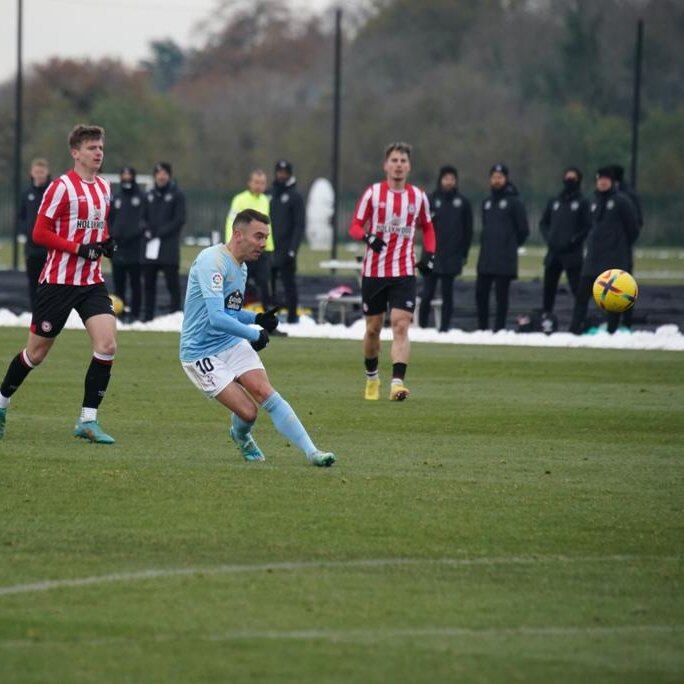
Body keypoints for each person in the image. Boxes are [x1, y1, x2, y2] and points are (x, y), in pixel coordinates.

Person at [179, 208, 335, 467]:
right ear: (238, 234)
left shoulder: (241, 269)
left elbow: (229, 312)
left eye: (266, 237)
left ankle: (313, 452)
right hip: (200, 352)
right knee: (248, 413)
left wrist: (256, 318)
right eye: (259, 236)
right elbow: (216, 317)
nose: (263, 244)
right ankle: (241, 435)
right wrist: (253, 334)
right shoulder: (212, 262)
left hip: (227, 341)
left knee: (265, 392)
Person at [0, 124, 117, 443]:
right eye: (92, 148)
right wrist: (78, 248)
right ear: (75, 152)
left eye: (101, 148)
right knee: (35, 354)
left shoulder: (105, 188)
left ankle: (88, 420)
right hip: (58, 282)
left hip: (91, 281)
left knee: (107, 345)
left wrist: (106, 243)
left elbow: (100, 226)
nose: (98, 153)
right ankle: (1, 402)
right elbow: (40, 234)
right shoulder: (61, 187)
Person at [349, 142, 436, 401]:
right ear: (386, 165)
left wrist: (429, 256)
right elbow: (354, 225)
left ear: (409, 167)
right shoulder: (373, 194)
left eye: (403, 161)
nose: (398, 165)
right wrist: (368, 238)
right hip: (374, 273)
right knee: (373, 329)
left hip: (404, 271)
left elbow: (428, 228)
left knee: (401, 325)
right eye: (394, 160)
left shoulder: (418, 197)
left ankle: (397, 383)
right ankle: (372, 377)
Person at [569, 167, 639, 334]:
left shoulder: (622, 201)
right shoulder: (592, 201)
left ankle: (611, 332)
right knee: (582, 295)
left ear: (612, 182)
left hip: (613, 258)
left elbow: (633, 229)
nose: (602, 182)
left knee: (613, 297)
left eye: (606, 179)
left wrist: (619, 246)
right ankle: (573, 331)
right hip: (593, 258)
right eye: (600, 179)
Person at [418, 165, 472, 332]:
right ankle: (422, 326)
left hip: (452, 255)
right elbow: (420, 224)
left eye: (452, 179)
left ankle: (444, 328)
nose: (449, 182)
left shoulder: (462, 203)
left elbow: (468, 230)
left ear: (455, 181)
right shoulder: (431, 199)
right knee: (427, 293)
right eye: (446, 178)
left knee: (448, 295)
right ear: (440, 180)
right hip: (431, 255)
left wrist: (464, 254)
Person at [476, 164, 529, 331]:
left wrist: (510, 245)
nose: (496, 180)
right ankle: (482, 329)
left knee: (501, 297)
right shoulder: (487, 203)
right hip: (486, 257)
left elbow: (524, 230)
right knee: (481, 295)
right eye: (494, 177)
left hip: (504, 258)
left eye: (500, 177)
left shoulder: (515, 202)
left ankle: (499, 329)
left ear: (506, 179)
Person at [539, 167, 592, 314]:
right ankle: (546, 317)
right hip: (553, 253)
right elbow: (543, 223)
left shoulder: (583, 202)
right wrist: (549, 238)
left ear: (578, 181)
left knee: (577, 289)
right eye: (567, 178)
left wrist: (574, 240)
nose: (569, 181)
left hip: (572, 254)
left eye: (573, 178)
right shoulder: (554, 201)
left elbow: (587, 226)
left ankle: (581, 318)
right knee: (548, 289)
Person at [225, 169, 275, 311]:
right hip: (244, 249)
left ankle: (267, 317)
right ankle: (234, 314)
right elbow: (231, 222)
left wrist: (270, 247)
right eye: (256, 182)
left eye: (262, 183)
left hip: (262, 250)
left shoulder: (265, 200)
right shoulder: (240, 199)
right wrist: (232, 245)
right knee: (240, 284)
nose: (259, 186)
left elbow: (267, 227)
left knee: (265, 283)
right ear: (250, 183)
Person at [142, 162, 186, 321]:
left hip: (169, 248)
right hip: (150, 249)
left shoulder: (177, 194)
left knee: (172, 283)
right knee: (148, 284)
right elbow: (142, 217)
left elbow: (180, 219)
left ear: (169, 175)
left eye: (164, 173)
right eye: (158, 173)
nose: (161, 176)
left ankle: (175, 316)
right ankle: (147, 318)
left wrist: (160, 233)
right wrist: (147, 230)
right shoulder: (149, 195)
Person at [270, 160, 305, 323]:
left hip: (286, 248)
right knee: (270, 284)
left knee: (288, 283)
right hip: (270, 247)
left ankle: (292, 317)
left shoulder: (295, 196)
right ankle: (270, 316)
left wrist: (293, 249)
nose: (281, 175)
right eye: (279, 172)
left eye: (284, 172)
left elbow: (299, 224)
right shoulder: (272, 194)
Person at [109, 166, 144, 321]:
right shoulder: (116, 197)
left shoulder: (141, 197)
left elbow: (145, 220)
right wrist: (112, 234)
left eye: (129, 174)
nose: (126, 177)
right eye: (124, 174)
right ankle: (119, 313)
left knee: (136, 283)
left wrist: (137, 232)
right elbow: (109, 219)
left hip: (135, 248)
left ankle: (135, 314)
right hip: (118, 248)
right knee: (118, 283)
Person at [611, 164, 644, 331]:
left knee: (624, 283)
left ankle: (626, 320)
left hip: (622, 248)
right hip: (607, 249)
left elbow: (636, 224)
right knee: (608, 284)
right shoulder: (606, 196)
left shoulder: (627, 196)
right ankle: (612, 321)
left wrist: (625, 242)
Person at [18, 158, 51, 311]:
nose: (39, 175)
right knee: (33, 281)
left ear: (47, 173)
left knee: (48, 281)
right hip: (31, 248)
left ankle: (49, 310)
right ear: (32, 173)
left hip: (48, 246)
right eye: (36, 172)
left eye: (42, 172)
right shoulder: (26, 193)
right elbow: (21, 216)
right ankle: (34, 312)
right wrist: (24, 231)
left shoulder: (51, 192)